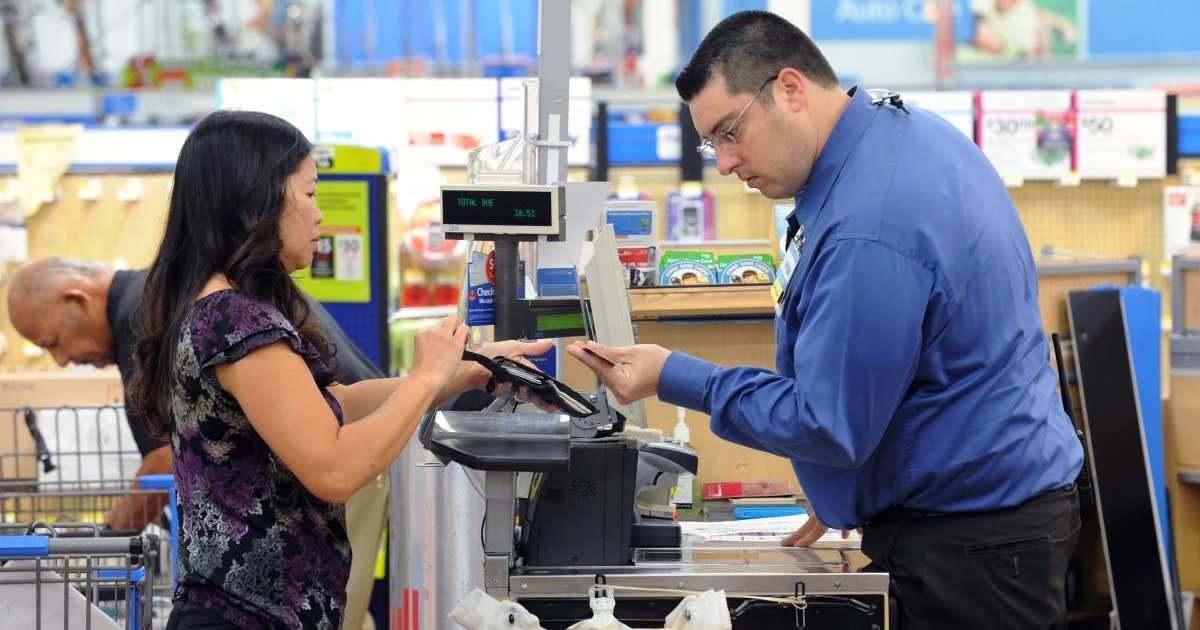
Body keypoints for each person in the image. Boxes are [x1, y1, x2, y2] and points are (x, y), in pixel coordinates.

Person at [567, 11, 1083, 630]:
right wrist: (849, 488)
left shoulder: (869, 224)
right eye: (711, 143)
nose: (723, 162)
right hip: (991, 518)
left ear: (790, 89)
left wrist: (673, 375)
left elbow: (829, 423)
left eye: (730, 132)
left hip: (974, 552)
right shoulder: (899, 139)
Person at [126, 110, 551, 629]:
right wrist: (423, 380)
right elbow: (334, 470)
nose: (319, 214)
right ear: (256, 199)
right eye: (308, 193)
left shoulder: (217, 309)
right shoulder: (234, 320)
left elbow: (334, 407)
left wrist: (459, 373)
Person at [5, 256, 387, 629]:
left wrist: (105, 540)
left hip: (339, 447)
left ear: (76, 298)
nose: (61, 360)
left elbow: (163, 460)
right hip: (341, 443)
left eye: (52, 342)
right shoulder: (156, 294)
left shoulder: (144, 314)